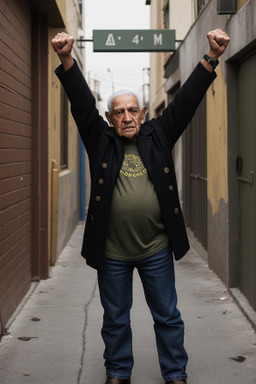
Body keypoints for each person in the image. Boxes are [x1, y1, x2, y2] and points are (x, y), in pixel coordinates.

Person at [51, 29, 230, 384]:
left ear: (143, 113)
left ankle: (175, 372)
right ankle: (118, 371)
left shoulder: (158, 133)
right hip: (113, 251)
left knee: (167, 314)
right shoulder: (100, 139)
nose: (128, 117)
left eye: (133, 110)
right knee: (115, 316)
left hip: (155, 248)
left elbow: (187, 100)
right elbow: (82, 103)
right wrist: (67, 60)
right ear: (110, 117)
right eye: (119, 112)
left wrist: (212, 56)